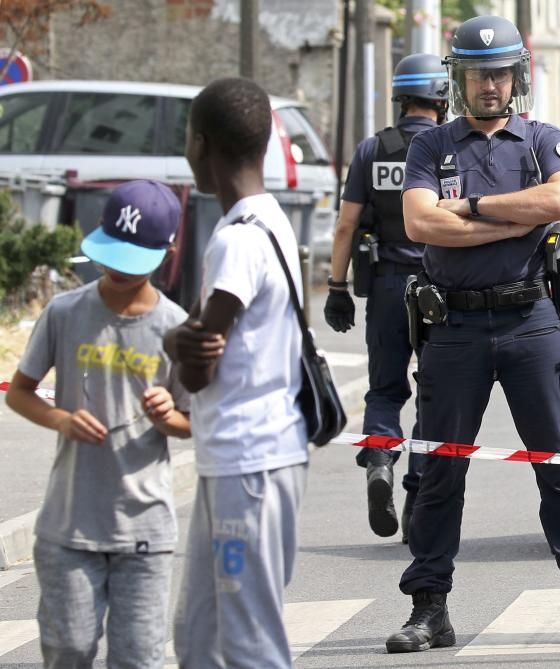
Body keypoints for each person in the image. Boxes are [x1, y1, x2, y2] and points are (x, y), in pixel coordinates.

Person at [382, 15, 560, 653]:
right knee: (438, 471)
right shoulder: (433, 146)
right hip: (454, 323)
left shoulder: (542, 139)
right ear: (458, 80)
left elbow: (559, 203)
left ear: (519, 75)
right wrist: (514, 220)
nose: (491, 85)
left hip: (528, 321)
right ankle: (429, 607)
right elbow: (419, 225)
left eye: (501, 72)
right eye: (478, 74)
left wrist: (472, 208)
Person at [5, 180, 191, 667]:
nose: (116, 269)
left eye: (132, 260)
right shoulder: (64, 311)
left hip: (145, 531)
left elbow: (195, 422)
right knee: (67, 649)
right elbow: (21, 394)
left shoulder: (177, 327)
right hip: (68, 526)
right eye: (112, 252)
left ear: (167, 251)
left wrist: (167, 416)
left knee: (138, 657)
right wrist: (62, 419)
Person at [165, 77, 309, 668]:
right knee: (199, 633)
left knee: (247, 640)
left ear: (201, 144)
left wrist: (176, 341)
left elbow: (198, 364)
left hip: (248, 461)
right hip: (243, 455)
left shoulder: (236, 242)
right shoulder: (269, 219)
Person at [325, 53, 448, 542]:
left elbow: (344, 226)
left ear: (400, 98)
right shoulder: (446, 148)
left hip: (386, 284)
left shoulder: (372, 150)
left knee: (384, 389)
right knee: (433, 394)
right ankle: (417, 492)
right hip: (440, 287)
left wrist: (337, 289)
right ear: (442, 98)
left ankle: (379, 461)